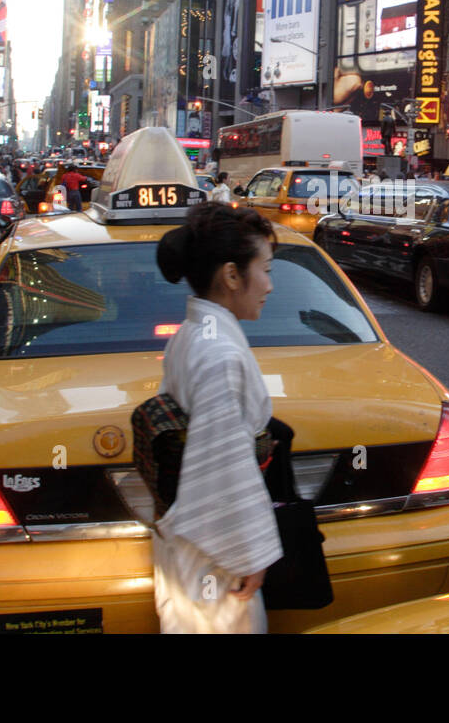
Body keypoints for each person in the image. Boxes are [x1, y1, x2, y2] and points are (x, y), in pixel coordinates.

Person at [152, 203, 283, 633]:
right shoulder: (220, 354)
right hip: (214, 558)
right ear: (231, 275)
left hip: (189, 547)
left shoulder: (193, 335)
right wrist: (247, 552)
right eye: (264, 268)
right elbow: (221, 467)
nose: (269, 284)